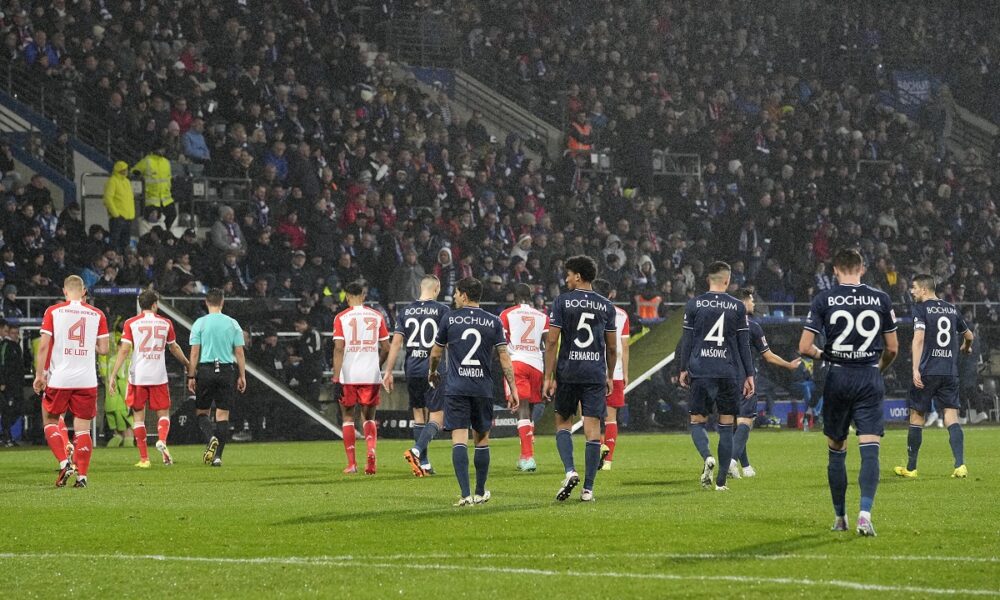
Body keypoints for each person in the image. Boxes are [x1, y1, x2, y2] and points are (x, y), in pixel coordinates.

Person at [799, 249, 898, 537]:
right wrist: (878, 367)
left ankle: (840, 517)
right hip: (869, 375)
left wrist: (825, 356)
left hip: (838, 375)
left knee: (836, 450)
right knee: (870, 449)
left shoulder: (824, 299)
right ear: (862, 268)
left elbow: (804, 347)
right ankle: (865, 514)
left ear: (835, 270)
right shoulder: (881, 298)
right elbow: (892, 348)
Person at [429, 277, 519, 506]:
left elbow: (436, 353)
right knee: (481, 439)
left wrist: (432, 372)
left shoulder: (450, 318)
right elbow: (504, 357)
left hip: (457, 387)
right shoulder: (493, 321)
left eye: (457, 293)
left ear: (465, 295)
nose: (455, 297)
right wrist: (513, 386)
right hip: (482, 388)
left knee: (459, 438)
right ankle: (480, 492)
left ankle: (465, 494)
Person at [543, 256, 617, 502]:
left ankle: (569, 470)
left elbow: (552, 341)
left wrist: (548, 376)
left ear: (578, 276)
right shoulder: (606, 305)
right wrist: (609, 374)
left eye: (568, 274)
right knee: (592, 429)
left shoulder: (562, 301)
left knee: (563, 422)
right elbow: (612, 347)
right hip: (595, 372)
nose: (566, 279)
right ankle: (588, 490)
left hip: (568, 371)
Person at [677, 261, 755, 492]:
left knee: (697, 422)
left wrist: (683, 369)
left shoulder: (695, 304)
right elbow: (743, 345)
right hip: (728, 372)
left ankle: (707, 457)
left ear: (707, 279)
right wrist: (749, 374)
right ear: (728, 280)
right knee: (726, 425)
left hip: (701, 371)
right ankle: (721, 481)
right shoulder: (737, 306)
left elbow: (687, 341)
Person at [893, 274, 974, 479]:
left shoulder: (921, 309)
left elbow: (918, 339)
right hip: (949, 371)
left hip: (928, 370)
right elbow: (969, 335)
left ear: (924, 289)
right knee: (951, 416)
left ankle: (911, 468)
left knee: (917, 416)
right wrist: (966, 347)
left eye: (914, 288)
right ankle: (960, 465)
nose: (911, 291)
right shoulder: (951, 308)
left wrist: (915, 369)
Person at [33, 275, 110, 487]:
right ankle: (82, 477)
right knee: (83, 429)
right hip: (87, 380)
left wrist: (40, 375)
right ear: (84, 291)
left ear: (65, 292)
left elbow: (43, 346)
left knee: (50, 420)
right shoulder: (98, 314)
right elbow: (104, 349)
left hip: (60, 378)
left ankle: (64, 463)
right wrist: (87, 345)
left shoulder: (54, 311)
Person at [109, 290, 191, 468]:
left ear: (141, 304)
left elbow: (124, 350)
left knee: (138, 417)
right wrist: (187, 363)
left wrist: (113, 374)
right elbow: (173, 347)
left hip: (138, 376)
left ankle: (144, 459)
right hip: (158, 376)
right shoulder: (165, 323)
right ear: (155, 304)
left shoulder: (131, 323)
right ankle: (162, 440)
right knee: (163, 413)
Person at [728, 289, 801, 479]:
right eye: (751, 300)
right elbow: (768, 356)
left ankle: (745, 466)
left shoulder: (723, 326)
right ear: (743, 303)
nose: (754, 304)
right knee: (746, 422)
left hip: (723, 378)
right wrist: (788, 364)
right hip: (745, 378)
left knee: (736, 425)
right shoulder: (752, 327)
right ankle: (731, 461)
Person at [383, 275, 449, 476]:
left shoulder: (406, 311)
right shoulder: (442, 310)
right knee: (438, 417)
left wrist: (388, 371)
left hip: (412, 368)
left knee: (419, 414)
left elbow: (395, 343)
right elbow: (449, 342)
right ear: (436, 288)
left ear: (421, 288)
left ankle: (424, 464)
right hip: (433, 368)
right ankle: (417, 450)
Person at [332, 281, 390, 475]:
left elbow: (339, 348)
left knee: (348, 417)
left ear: (347, 296)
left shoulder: (341, 318)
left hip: (348, 375)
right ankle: (371, 454)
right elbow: (386, 348)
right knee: (369, 417)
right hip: (370, 374)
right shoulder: (377, 316)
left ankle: (352, 464)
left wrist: (335, 377)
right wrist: (377, 364)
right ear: (364, 296)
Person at [186, 289, 247, 467]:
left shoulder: (200, 323)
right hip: (227, 370)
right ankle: (218, 456)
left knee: (202, 412)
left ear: (206, 302)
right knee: (222, 415)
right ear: (222, 302)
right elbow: (239, 352)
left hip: (206, 370)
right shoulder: (232, 323)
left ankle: (210, 437)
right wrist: (242, 375)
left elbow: (195, 352)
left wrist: (191, 375)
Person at [499, 283, 549, 472]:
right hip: (537, 364)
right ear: (531, 297)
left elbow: (501, 344)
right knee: (531, 409)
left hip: (517, 362)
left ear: (514, 297)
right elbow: (548, 344)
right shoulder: (542, 316)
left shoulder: (507, 314)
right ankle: (525, 453)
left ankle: (528, 457)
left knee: (522, 410)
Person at [591, 279, 628, 471]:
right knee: (611, 417)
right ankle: (608, 460)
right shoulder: (621, 314)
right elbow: (624, 346)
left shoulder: (589, 310)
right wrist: (625, 372)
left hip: (592, 368)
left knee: (592, 416)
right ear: (611, 294)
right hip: (615, 371)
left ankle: (597, 450)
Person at [132, 145, 176, 230]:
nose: (162, 151)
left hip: (166, 197)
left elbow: (168, 178)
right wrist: (137, 173)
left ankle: (165, 231)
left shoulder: (166, 162)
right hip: (152, 197)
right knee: (153, 220)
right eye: (161, 148)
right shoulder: (147, 161)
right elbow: (134, 171)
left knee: (172, 214)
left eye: (163, 149)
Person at [0, 320, 25, 446]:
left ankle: (6, 434)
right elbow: (3, 364)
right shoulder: (6, 345)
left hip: (17, 385)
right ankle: (6, 436)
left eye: (17, 333)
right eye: (13, 333)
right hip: (8, 386)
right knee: (7, 410)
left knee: (17, 409)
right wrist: (2, 381)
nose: (15, 335)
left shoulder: (16, 346)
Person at [102, 160, 135, 253]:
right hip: (118, 218)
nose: (125, 171)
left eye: (126, 169)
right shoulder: (112, 181)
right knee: (114, 243)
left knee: (125, 244)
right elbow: (107, 199)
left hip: (128, 218)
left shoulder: (127, 182)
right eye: (123, 170)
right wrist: (116, 214)